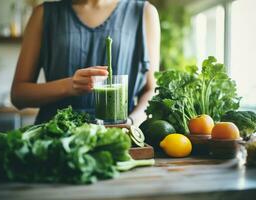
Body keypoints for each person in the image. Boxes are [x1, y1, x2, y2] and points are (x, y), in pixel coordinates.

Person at [11, 0, 160, 126]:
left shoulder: (144, 12)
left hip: (119, 137)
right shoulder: (43, 14)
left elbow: (151, 90)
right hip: (55, 136)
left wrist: (131, 122)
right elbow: (18, 95)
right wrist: (69, 86)